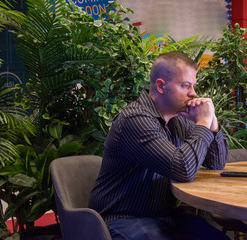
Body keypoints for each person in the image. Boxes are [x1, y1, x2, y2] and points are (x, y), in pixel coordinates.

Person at [89, 52, 229, 240]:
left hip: (166, 216)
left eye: (193, 86)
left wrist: (212, 123)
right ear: (161, 86)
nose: (193, 94)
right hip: (123, 217)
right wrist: (203, 122)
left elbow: (217, 163)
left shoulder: (179, 120)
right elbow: (182, 169)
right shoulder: (135, 119)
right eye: (185, 86)